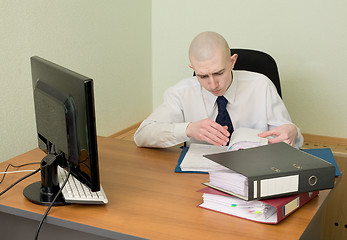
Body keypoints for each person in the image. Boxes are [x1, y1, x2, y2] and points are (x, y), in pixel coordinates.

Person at [134, 31, 303, 149]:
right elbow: (141, 135)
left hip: (254, 172)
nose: (213, 84)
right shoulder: (181, 92)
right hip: (197, 178)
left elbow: (290, 139)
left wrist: (292, 132)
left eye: (219, 73)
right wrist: (188, 129)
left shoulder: (261, 86)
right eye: (203, 76)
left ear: (232, 62)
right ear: (193, 68)